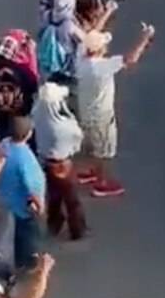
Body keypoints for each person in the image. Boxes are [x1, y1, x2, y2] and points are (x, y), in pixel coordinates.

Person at [75, 23, 155, 197]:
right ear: (97, 50)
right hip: (101, 117)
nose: (106, 46)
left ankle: (92, 172)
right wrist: (144, 38)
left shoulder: (80, 59)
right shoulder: (101, 67)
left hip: (86, 112)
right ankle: (101, 183)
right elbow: (130, 59)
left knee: (93, 144)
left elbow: (90, 37)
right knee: (105, 151)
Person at [0, 117, 46, 271]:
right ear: (29, 134)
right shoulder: (24, 158)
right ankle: (26, 261)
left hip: (5, 198)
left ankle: (14, 254)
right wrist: (40, 206)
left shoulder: (6, 144)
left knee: (10, 229)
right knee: (27, 234)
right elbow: (30, 186)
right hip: (22, 205)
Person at [32, 82, 86, 240]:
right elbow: (77, 140)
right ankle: (77, 229)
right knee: (71, 199)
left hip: (45, 160)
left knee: (53, 194)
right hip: (62, 163)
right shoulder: (63, 126)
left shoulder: (38, 114)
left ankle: (54, 223)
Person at [0, 31, 39, 143]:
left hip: (1, 114)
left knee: (5, 142)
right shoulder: (22, 70)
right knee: (25, 142)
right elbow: (33, 87)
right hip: (20, 113)